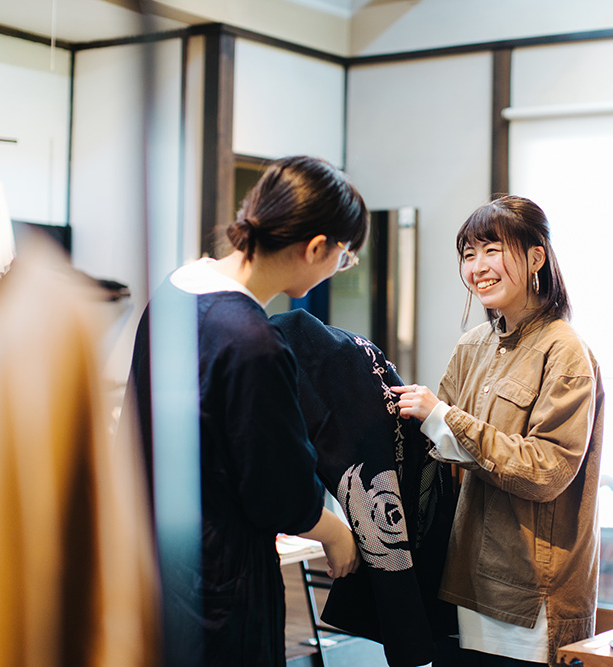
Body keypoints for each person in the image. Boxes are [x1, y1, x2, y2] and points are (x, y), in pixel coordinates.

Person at [124, 155, 365, 666]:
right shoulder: (253, 342)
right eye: (343, 257)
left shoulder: (176, 289)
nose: (337, 269)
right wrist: (336, 532)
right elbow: (278, 490)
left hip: (151, 558)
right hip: (220, 580)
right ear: (316, 247)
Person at [392, 195, 604, 666]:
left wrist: (446, 418)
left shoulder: (564, 350)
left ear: (535, 257)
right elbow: (434, 441)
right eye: (468, 254)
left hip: (532, 595)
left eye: (492, 250)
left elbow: (547, 471)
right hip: (465, 577)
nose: (478, 267)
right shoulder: (473, 345)